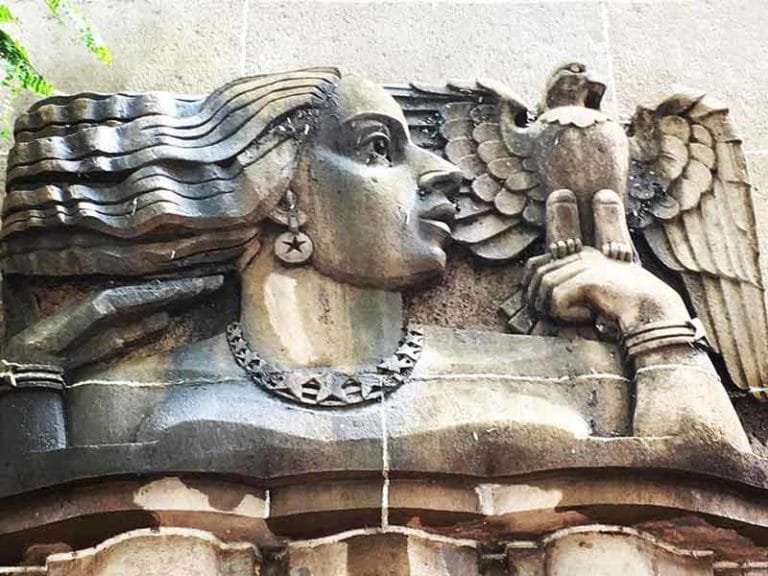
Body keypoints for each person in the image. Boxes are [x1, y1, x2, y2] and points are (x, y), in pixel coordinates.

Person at [1, 69, 749, 454]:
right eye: (380, 148)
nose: (444, 171)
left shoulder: (576, 375)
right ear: (281, 198)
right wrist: (27, 378)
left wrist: (657, 323)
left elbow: (712, 501)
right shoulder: (118, 402)